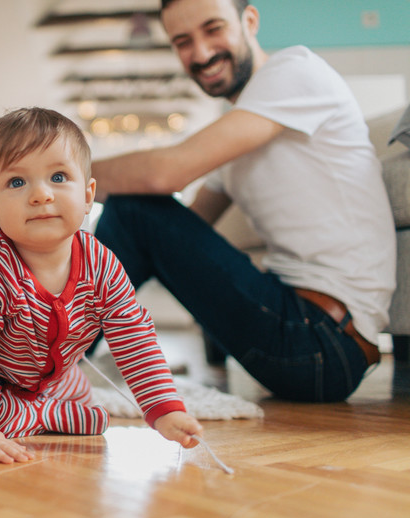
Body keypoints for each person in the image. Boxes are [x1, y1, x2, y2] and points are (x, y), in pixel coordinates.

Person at [91, 0, 396, 402]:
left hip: (321, 339)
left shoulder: (295, 70)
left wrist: (61, 173)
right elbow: (182, 230)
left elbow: (165, 175)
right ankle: (47, 351)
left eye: (213, 29)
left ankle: (48, 363)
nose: (200, 53)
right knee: (136, 214)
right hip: (305, 335)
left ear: (249, 21)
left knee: (131, 211)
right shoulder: (242, 127)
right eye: (183, 42)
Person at [0, 107, 203, 465]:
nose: (41, 194)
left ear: (88, 195)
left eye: (58, 177)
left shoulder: (102, 263)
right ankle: (44, 414)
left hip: (53, 379)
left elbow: (133, 336)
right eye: (17, 182)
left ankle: (40, 409)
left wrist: (163, 408)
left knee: (81, 395)